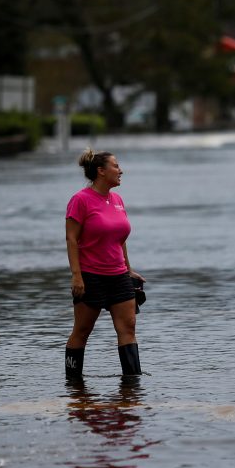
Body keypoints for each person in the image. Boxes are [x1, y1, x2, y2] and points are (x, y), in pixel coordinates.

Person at [65, 148, 145, 379]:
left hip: (118, 276)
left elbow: (120, 239)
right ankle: (73, 386)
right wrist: (76, 275)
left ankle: (132, 386)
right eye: (116, 166)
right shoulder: (80, 200)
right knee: (82, 332)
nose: (121, 171)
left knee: (128, 329)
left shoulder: (117, 199)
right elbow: (71, 238)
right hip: (91, 277)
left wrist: (128, 270)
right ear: (101, 171)